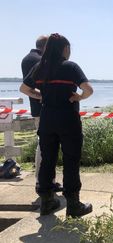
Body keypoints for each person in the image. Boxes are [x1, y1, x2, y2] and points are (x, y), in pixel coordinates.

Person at [20, 33, 93, 217]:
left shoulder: (39, 67)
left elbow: (24, 88)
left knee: (47, 160)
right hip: (68, 118)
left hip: (47, 118)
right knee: (71, 160)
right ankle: (73, 205)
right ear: (64, 49)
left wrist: (40, 96)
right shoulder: (70, 67)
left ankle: (47, 202)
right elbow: (88, 90)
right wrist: (79, 97)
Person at [21, 35, 63, 192]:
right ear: (47, 47)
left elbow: (28, 87)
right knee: (45, 146)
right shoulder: (38, 61)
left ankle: (44, 180)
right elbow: (30, 87)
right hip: (44, 109)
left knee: (44, 144)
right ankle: (43, 181)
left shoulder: (27, 58)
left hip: (37, 108)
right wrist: (43, 95)